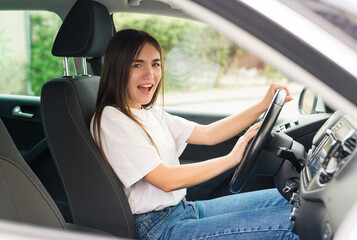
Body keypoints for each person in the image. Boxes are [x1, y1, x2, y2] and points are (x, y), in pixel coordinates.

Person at [91, 29, 299, 240]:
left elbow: (207, 133)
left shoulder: (147, 112)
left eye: (155, 64)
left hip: (183, 209)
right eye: (137, 64)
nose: (150, 75)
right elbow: (165, 180)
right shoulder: (112, 119)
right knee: (294, 225)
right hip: (158, 228)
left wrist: (263, 105)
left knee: (294, 200)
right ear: (118, 68)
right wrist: (231, 159)